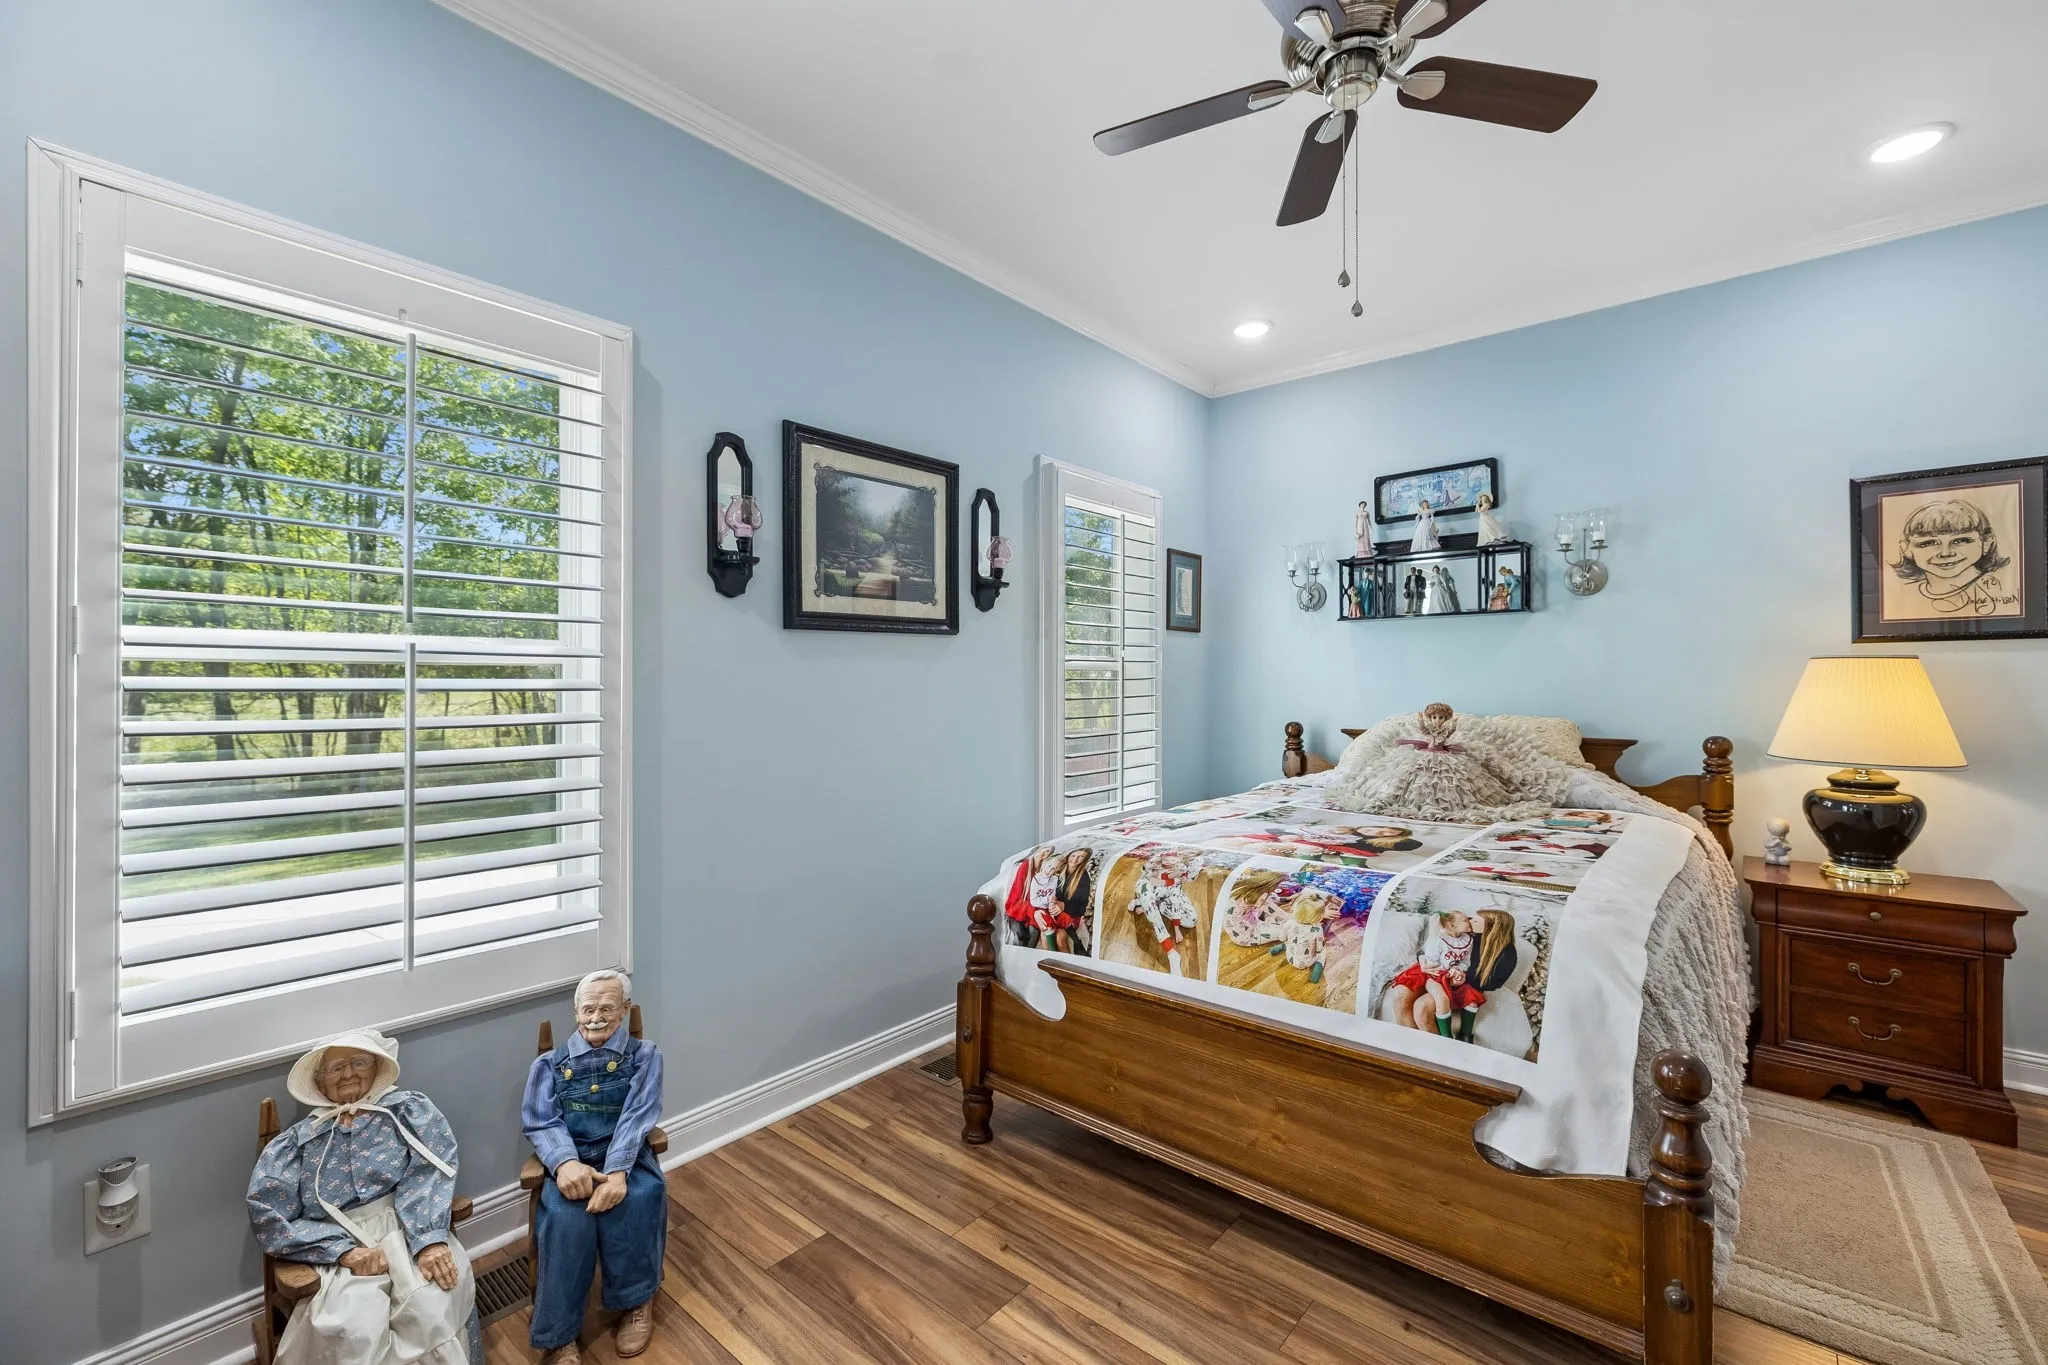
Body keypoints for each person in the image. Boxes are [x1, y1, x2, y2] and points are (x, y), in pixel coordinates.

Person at [247, 1029, 477, 1365]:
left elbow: (432, 1168)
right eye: (336, 1068)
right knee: (353, 1327)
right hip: (340, 1245)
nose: (349, 1074)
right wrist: (341, 1251)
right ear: (319, 1081)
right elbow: (269, 1215)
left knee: (431, 1305)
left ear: (377, 1068)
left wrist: (428, 1239)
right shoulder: (296, 1143)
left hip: (408, 1227)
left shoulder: (406, 1111)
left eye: (359, 1063)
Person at [523, 970, 666, 1364]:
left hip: (628, 1156)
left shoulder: (645, 1056)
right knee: (566, 1222)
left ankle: (636, 1301)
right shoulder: (549, 1065)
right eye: (588, 1009)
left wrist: (618, 1173)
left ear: (624, 1010)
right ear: (575, 1012)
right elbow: (540, 1120)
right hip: (572, 1159)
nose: (596, 1017)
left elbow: (638, 1116)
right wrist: (565, 1164)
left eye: (607, 1008)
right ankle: (559, 1332)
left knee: (637, 1203)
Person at [1889, 497, 2017, 616]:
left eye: (1960, 541)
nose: (1945, 553)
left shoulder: (2001, 588)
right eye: (1929, 543)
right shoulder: (1900, 599)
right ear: (1906, 549)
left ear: (1986, 543)